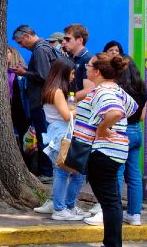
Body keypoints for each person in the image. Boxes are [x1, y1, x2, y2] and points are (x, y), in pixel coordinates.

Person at [75, 53, 137, 247]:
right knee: (112, 200)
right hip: (114, 151)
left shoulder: (103, 91)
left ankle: (111, 244)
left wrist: (103, 128)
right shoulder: (116, 90)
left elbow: (117, 112)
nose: (86, 68)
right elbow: (132, 107)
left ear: (98, 71)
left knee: (110, 202)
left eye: (89, 65)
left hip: (103, 151)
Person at [89, 55, 146, 227]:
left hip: (118, 133)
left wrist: (102, 127)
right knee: (135, 175)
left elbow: (116, 113)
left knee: (117, 176)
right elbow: (140, 114)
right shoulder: (140, 87)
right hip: (136, 130)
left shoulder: (112, 89)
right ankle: (135, 214)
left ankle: (111, 212)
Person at [34, 57, 87, 220]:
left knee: (71, 172)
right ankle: (60, 208)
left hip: (59, 133)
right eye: (71, 73)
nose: (72, 77)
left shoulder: (54, 89)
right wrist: (83, 108)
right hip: (61, 134)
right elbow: (66, 115)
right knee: (64, 172)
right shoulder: (57, 91)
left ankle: (64, 205)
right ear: (62, 73)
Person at [13, 25, 57, 177]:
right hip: (46, 101)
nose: (20, 46)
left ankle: (46, 172)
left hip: (41, 101)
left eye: (20, 42)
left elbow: (43, 76)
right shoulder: (44, 48)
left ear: (27, 36)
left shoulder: (40, 50)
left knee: (43, 136)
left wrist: (24, 73)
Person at [62, 24, 94, 95]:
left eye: (67, 39)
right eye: (64, 39)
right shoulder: (68, 57)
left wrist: (69, 100)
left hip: (79, 104)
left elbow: (88, 90)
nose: (63, 42)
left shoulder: (88, 59)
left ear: (80, 40)